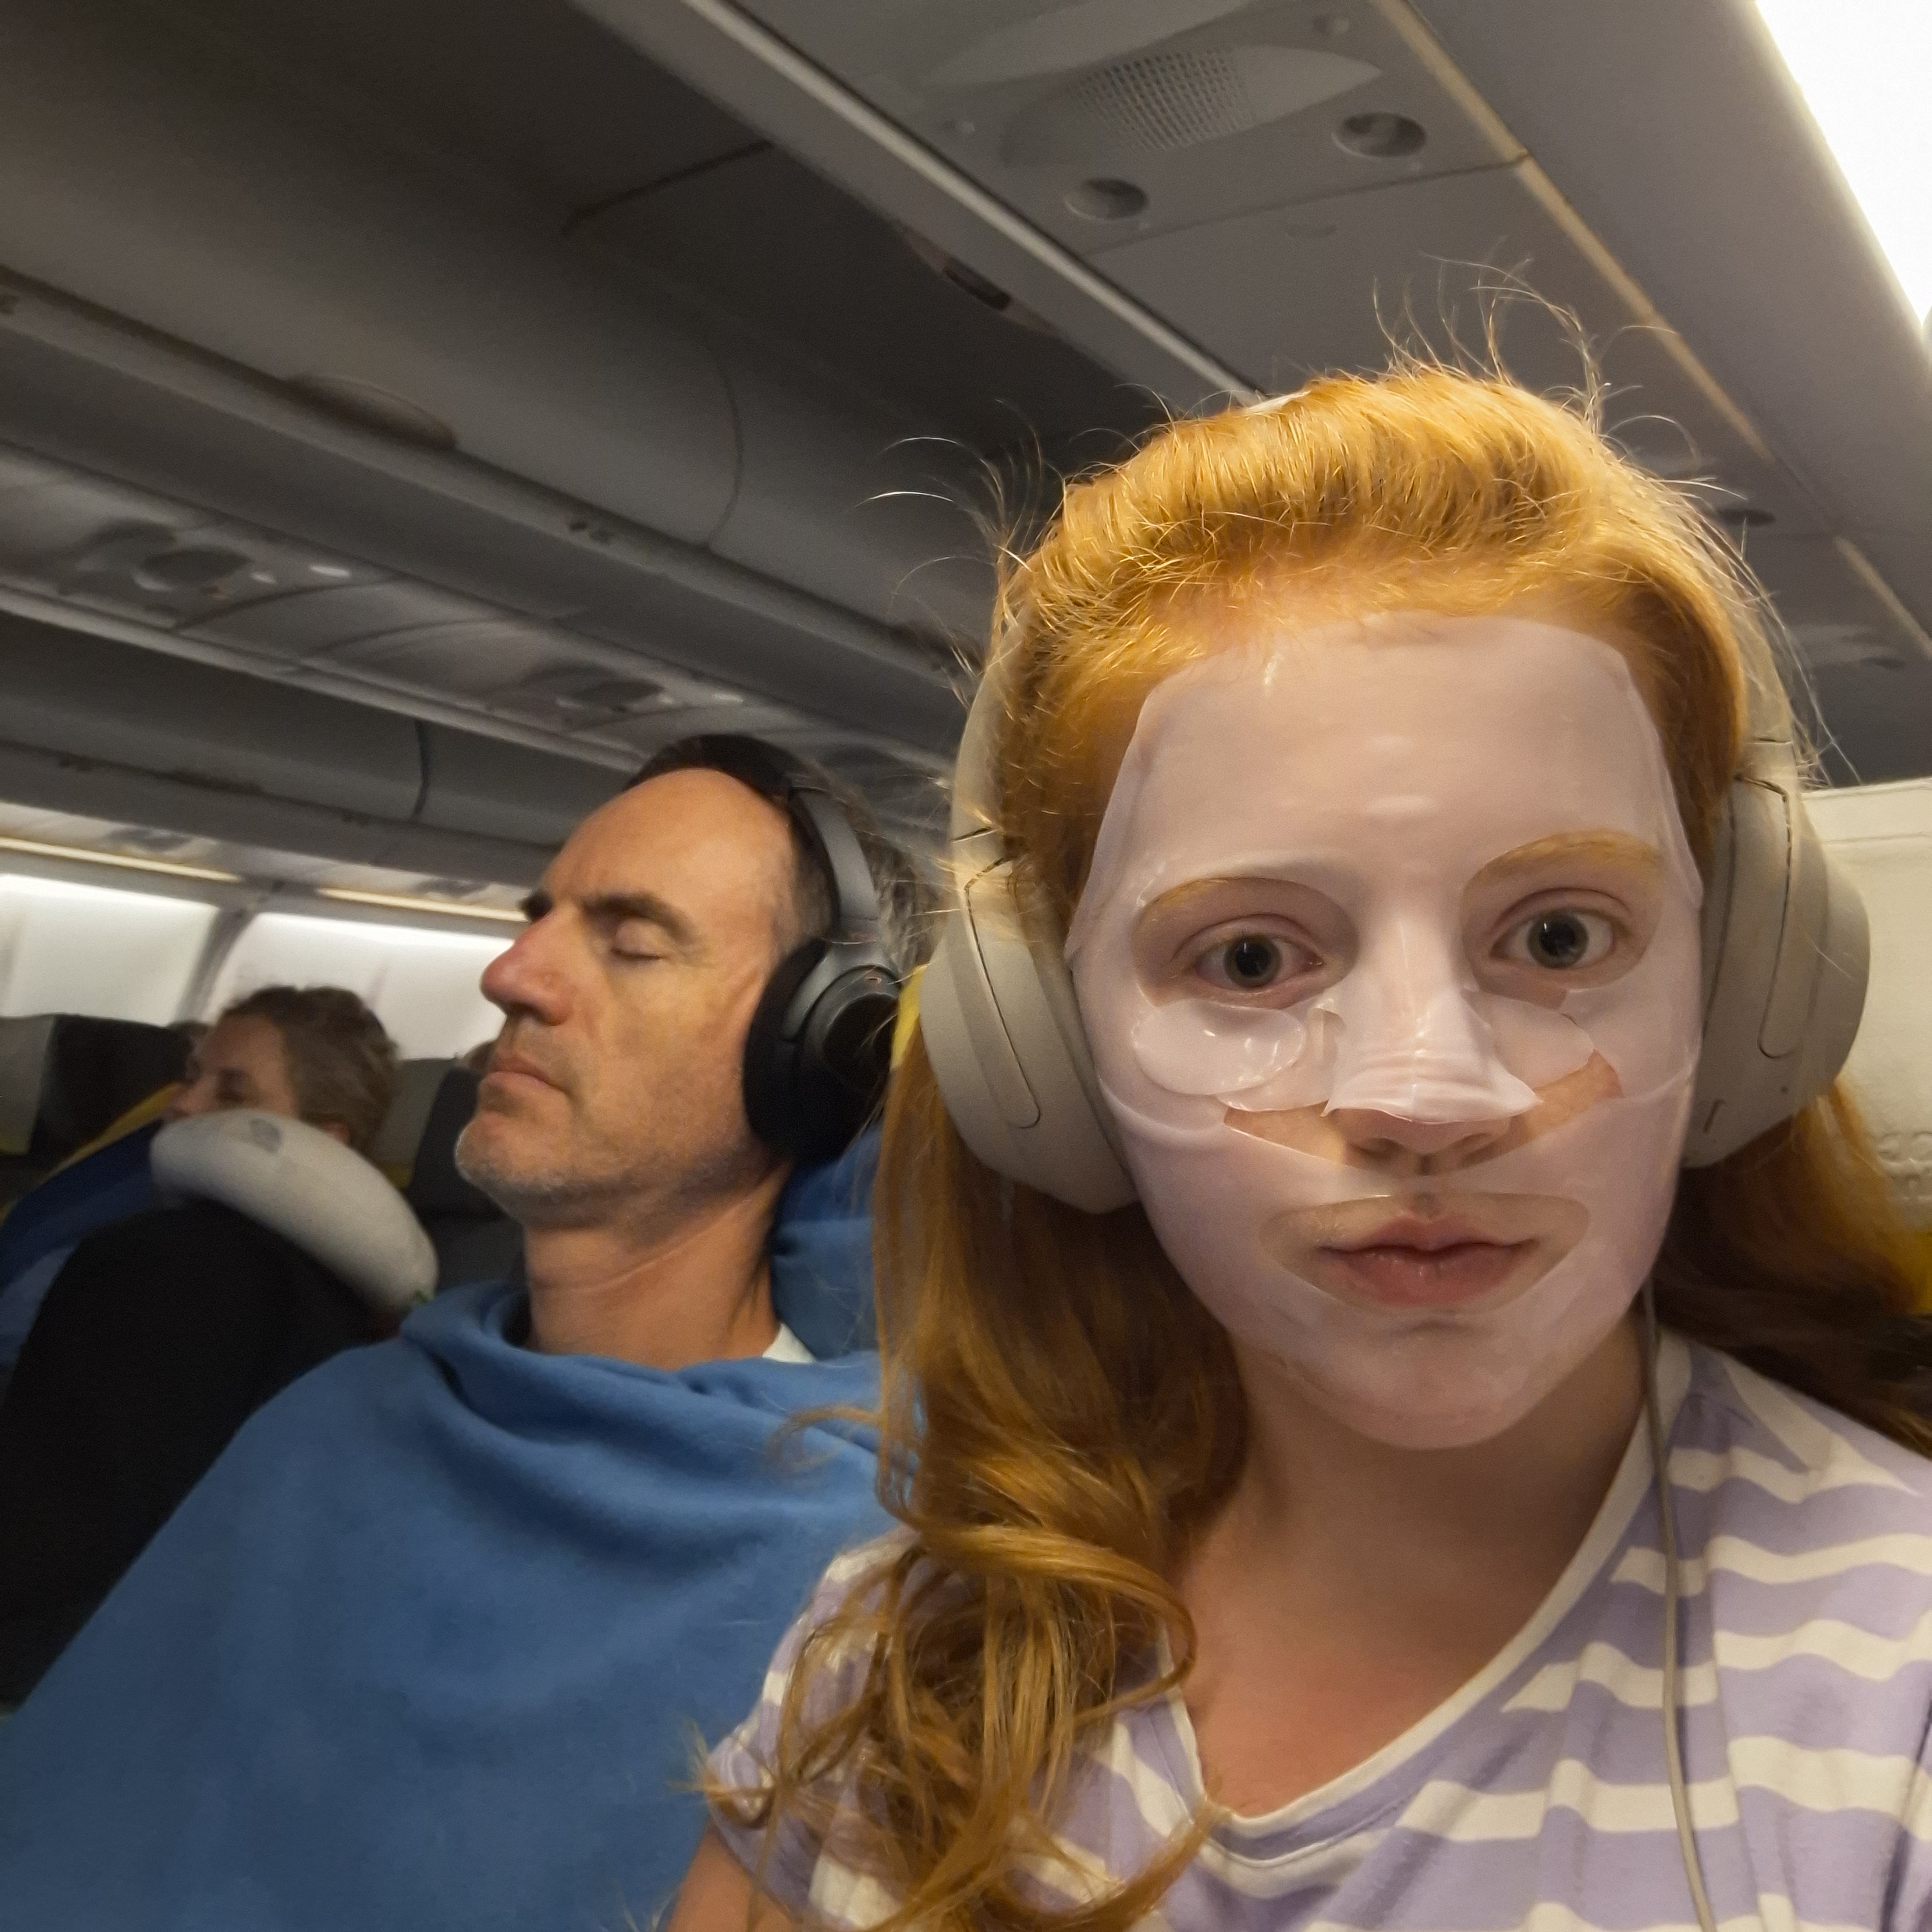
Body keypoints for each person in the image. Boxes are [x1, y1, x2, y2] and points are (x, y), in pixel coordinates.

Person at [676, 365, 1932, 1932]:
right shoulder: (895, 1662)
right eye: (1252, 959)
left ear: (1739, 984)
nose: (1423, 1096)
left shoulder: (1899, 1695)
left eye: (1555, 934)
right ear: (1043, 1042)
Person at [0, 738, 921, 1932]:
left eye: (630, 941)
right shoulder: (337, 1421)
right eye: (538, 921)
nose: (509, 974)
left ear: (818, 1051)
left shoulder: (865, 1574)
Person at [0, 988, 404, 1697]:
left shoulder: (175, 1264)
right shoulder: (337, 1299)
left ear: (324, 1140)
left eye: (231, 1092)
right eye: (192, 1075)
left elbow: (56, 1522)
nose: (182, 1105)